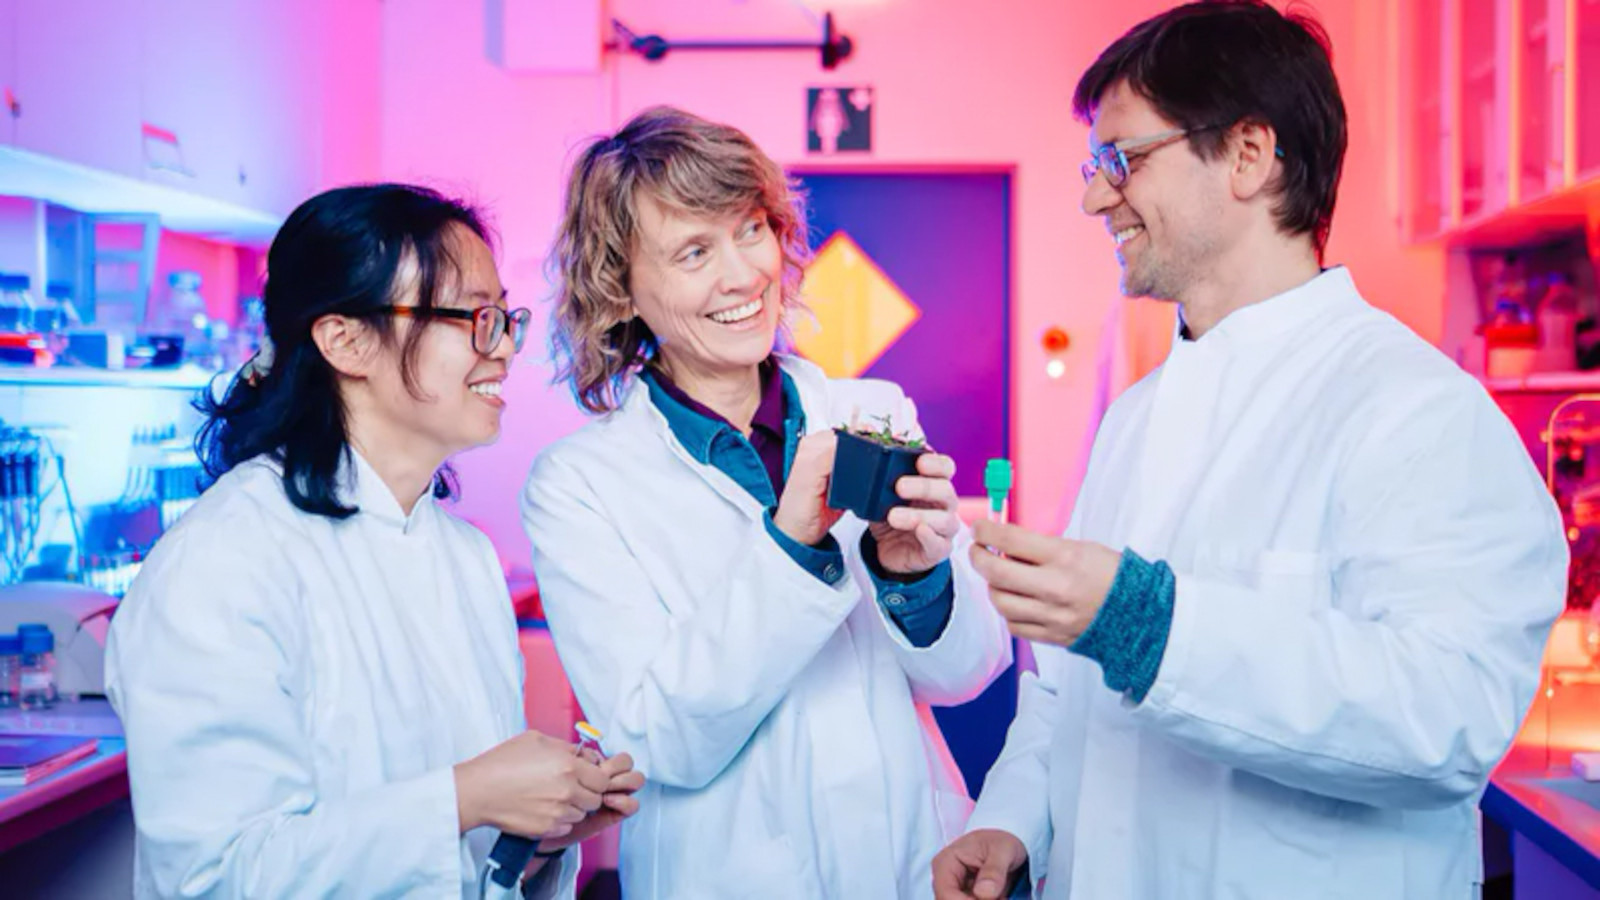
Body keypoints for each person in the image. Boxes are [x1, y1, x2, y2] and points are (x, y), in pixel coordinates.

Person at [932, 3, 1568, 898]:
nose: (1093, 195)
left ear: (1247, 155)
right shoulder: (1136, 417)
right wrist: (1010, 819)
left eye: (1123, 160)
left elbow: (1450, 719)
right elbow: (1069, 693)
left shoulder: (1418, 411)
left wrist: (1148, 625)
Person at [521, 106, 1014, 899]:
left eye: (751, 230)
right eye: (693, 251)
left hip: (910, 861)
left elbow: (967, 675)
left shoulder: (873, 410)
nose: (743, 275)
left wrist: (915, 580)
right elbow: (655, 740)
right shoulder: (579, 485)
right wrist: (792, 546)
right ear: (620, 290)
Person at [106, 183, 641, 899]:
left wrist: (532, 833)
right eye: (475, 319)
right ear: (345, 340)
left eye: (504, 317)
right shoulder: (224, 561)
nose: (505, 347)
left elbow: (458, 858)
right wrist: (465, 798)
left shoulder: (464, 557)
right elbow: (215, 878)